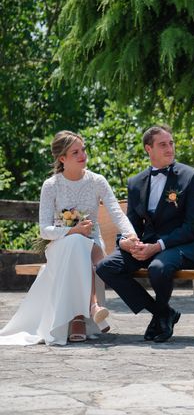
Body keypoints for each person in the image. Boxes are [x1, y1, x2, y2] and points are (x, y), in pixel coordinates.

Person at [0, 130, 136, 345]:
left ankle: (80, 317)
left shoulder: (97, 181)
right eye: (75, 152)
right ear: (62, 159)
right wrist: (72, 231)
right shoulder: (51, 185)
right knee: (75, 242)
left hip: (93, 244)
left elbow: (116, 212)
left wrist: (132, 235)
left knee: (81, 244)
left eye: (83, 150)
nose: (83, 155)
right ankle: (89, 309)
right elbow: (45, 230)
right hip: (60, 245)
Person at [96, 125, 194, 343]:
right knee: (106, 267)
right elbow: (131, 223)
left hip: (182, 244)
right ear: (149, 149)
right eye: (163, 144)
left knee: (158, 268)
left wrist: (158, 246)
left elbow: (192, 227)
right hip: (148, 244)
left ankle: (160, 316)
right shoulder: (135, 183)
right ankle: (163, 313)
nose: (169, 148)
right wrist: (124, 242)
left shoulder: (191, 177)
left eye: (171, 143)